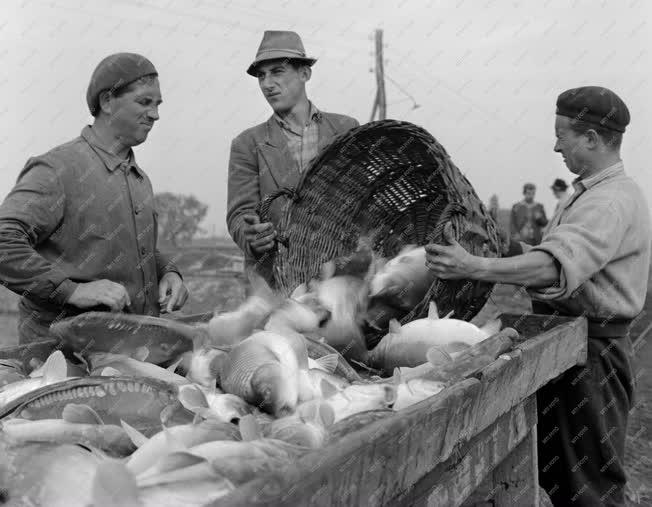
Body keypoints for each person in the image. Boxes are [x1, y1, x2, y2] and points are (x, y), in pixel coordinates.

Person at [425, 86, 650, 507]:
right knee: (565, 475)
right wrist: (494, 249)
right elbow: (545, 256)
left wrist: (474, 267)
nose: (555, 145)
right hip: (571, 342)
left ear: (592, 139)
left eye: (561, 135)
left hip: (593, 354)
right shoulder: (587, 192)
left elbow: (552, 266)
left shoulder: (611, 201)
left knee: (590, 486)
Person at [0, 53, 188, 344]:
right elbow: (3, 241)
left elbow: (132, 246)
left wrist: (168, 271)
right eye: (144, 102)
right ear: (107, 102)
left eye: (158, 104)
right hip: (62, 360)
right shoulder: (57, 169)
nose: (155, 115)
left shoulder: (139, 179)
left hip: (130, 353)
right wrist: (71, 291)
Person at [226, 31, 359, 287]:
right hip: (276, 286)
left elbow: (365, 203)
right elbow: (239, 214)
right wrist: (251, 236)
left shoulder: (346, 130)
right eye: (261, 76)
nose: (267, 84)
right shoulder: (248, 144)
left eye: (277, 72)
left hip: (340, 283)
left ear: (304, 74)